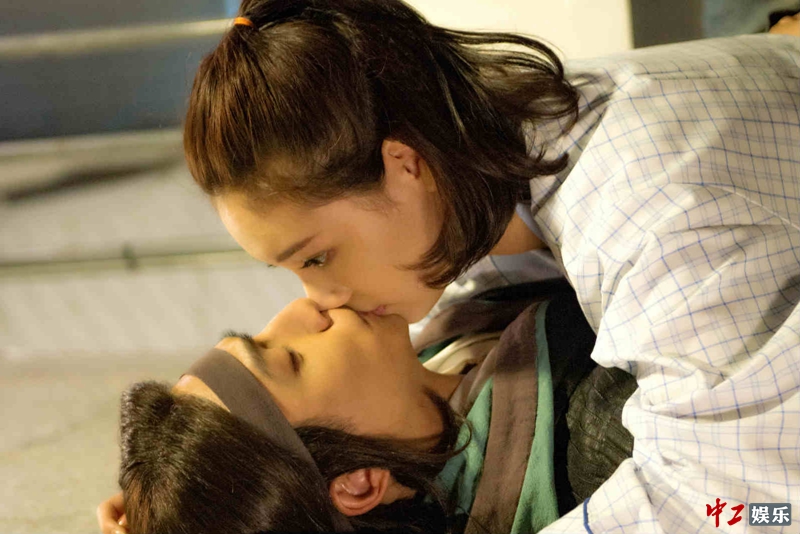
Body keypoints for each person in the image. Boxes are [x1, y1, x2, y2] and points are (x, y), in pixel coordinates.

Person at [100, 0, 800, 531]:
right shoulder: (483, 190)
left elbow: (750, 502)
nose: (318, 300)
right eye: (303, 267)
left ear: (403, 165)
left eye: (316, 255)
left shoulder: (647, 217)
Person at [109, 291, 629, 534]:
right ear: (359, 484)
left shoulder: (446, 325)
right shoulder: (605, 440)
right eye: (288, 359)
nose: (302, 308)